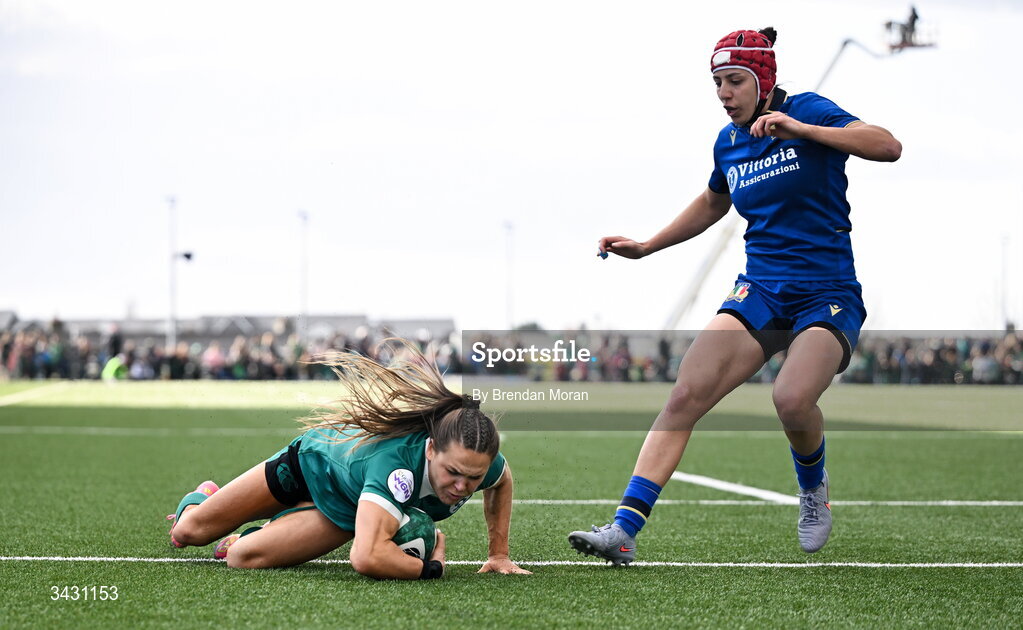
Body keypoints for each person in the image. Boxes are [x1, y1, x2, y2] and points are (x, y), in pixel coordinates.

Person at [569, 27, 901, 564]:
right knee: (685, 396)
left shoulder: (809, 110)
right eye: (717, 82)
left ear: (762, 79)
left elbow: (887, 146)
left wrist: (802, 129)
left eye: (734, 81)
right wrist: (648, 246)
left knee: (791, 399)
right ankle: (623, 530)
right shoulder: (729, 142)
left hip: (827, 292)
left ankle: (813, 491)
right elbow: (712, 201)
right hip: (761, 291)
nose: (724, 93)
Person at [167, 342, 531, 579]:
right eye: (453, 473)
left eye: (473, 477)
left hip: (345, 508)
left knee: (241, 556)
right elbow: (368, 557)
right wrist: (431, 567)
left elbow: (502, 482)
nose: (462, 486)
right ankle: (204, 496)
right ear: (431, 448)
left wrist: (499, 554)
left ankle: (262, 531)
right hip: (309, 465)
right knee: (188, 532)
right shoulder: (397, 468)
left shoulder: (480, 462)